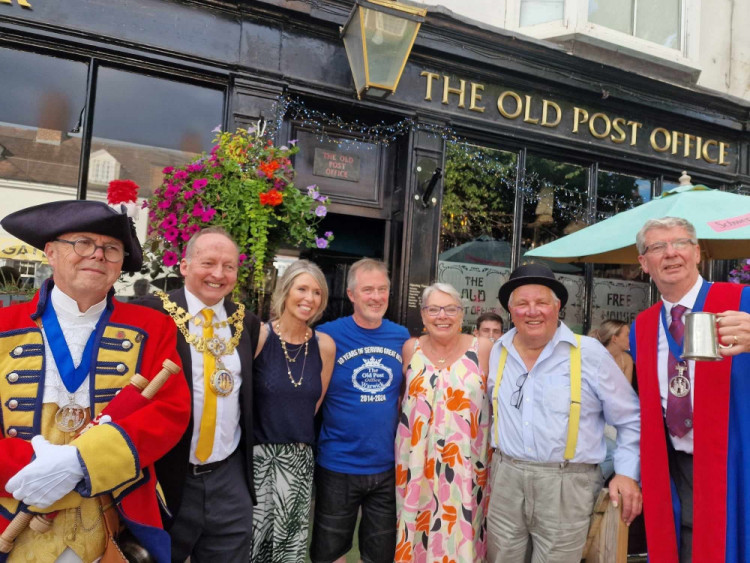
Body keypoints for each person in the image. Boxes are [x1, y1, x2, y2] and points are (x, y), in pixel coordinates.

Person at [0, 200, 190, 562]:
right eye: (83, 242)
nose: (98, 255)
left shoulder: (153, 328)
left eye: (111, 249)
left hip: (112, 520)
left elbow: (170, 412)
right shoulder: (2, 325)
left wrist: (78, 462)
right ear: (51, 253)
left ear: (120, 265)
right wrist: (30, 467)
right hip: (14, 511)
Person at [486, 263, 642, 563]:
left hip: (567, 483)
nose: (533, 311)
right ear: (510, 309)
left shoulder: (589, 353)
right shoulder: (498, 350)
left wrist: (625, 472)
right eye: (522, 304)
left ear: (557, 306)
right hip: (506, 477)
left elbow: (630, 418)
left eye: (542, 302)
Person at [135, 226, 261, 562]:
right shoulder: (150, 313)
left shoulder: (245, 323)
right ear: (185, 265)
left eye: (229, 266)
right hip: (167, 476)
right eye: (208, 263)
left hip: (228, 477)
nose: (218, 274)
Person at [631, 216, 750, 563]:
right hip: (677, 468)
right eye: (657, 247)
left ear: (697, 253)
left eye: (681, 243)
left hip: (738, 462)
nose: (671, 253)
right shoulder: (643, 325)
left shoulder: (741, 300)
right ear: (644, 263)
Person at [310, 258, 410, 563]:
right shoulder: (326, 336)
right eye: (368, 289)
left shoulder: (401, 337)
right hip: (338, 463)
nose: (376, 297)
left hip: (386, 465)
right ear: (352, 294)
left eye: (382, 289)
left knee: (380, 553)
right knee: (330, 550)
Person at [395, 282, 492, 562]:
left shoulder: (483, 348)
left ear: (462, 315)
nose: (442, 316)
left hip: (466, 466)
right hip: (415, 465)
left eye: (451, 309)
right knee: (416, 533)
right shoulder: (410, 348)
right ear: (423, 316)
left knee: (461, 531)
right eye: (434, 309)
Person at [252, 259, 336, 562]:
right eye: (302, 289)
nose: (309, 298)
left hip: (299, 462)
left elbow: (313, 404)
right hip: (256, 461)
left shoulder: (325, 346)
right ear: (286, 292)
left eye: (316, 293)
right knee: (252, 544)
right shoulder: (260, 337)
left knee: (289, 549)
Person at [590, 319, 633, 383]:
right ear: (614, 338)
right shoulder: (595, 358)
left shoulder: (627, 359)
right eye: (627, 335)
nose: (630, 339)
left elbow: (627, 391)